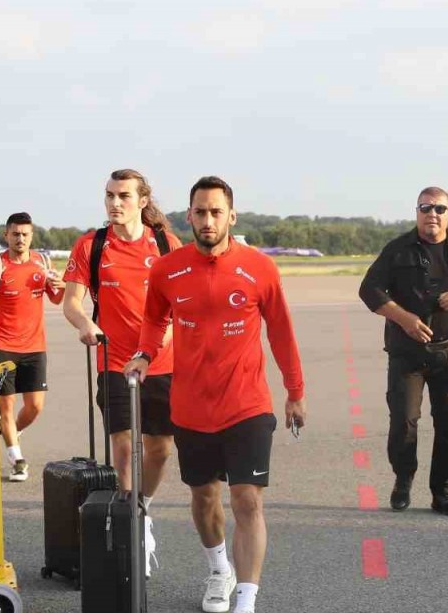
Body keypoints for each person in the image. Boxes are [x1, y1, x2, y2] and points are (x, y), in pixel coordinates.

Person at [127, 176, 306, 613]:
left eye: (216, 212)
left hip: (246, 404)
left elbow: (281, 332)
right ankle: (218, 570)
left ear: (232, 216)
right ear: (188, 215)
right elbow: (153, 319)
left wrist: (295, 391)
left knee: (246, 499)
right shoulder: (167, 269)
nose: (208, 220)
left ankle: (246, 598)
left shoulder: (260, 267)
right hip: (190, 406)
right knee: (204, 499)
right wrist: (144, 354)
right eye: (200, 212)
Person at [62, 169, 182, 574]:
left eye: (124, 196)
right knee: (124, 446)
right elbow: (72, 302)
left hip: (161, 362)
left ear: (142, 201)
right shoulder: (91, 245)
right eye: (109, 195)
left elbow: (181, 306)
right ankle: (133, 525)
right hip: (113, 359)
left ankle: (142, 508)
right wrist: (85, 324)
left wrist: (157, 344)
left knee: (160, 449)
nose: (115, 203)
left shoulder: (166, 243)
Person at [359, 186, 448, 517]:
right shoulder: (398, 249)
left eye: (439, 208)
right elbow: (369, 290)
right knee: (404, 423)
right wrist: (404, 318)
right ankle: (403, 481)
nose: (432, 214)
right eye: (425, 208)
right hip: (407, 355)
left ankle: (444, 492)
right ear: (416, 212)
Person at [0, 212, 65, 483]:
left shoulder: (42, 262)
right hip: (3, 346)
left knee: (35, 407)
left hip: (34, 347)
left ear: (32, 236)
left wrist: (60, 285)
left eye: (25, 234)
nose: (20, 239)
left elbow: (56, 299)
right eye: (15, 234)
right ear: (7, 235)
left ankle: (10, 433)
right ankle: (16, 458)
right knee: (5, 407)